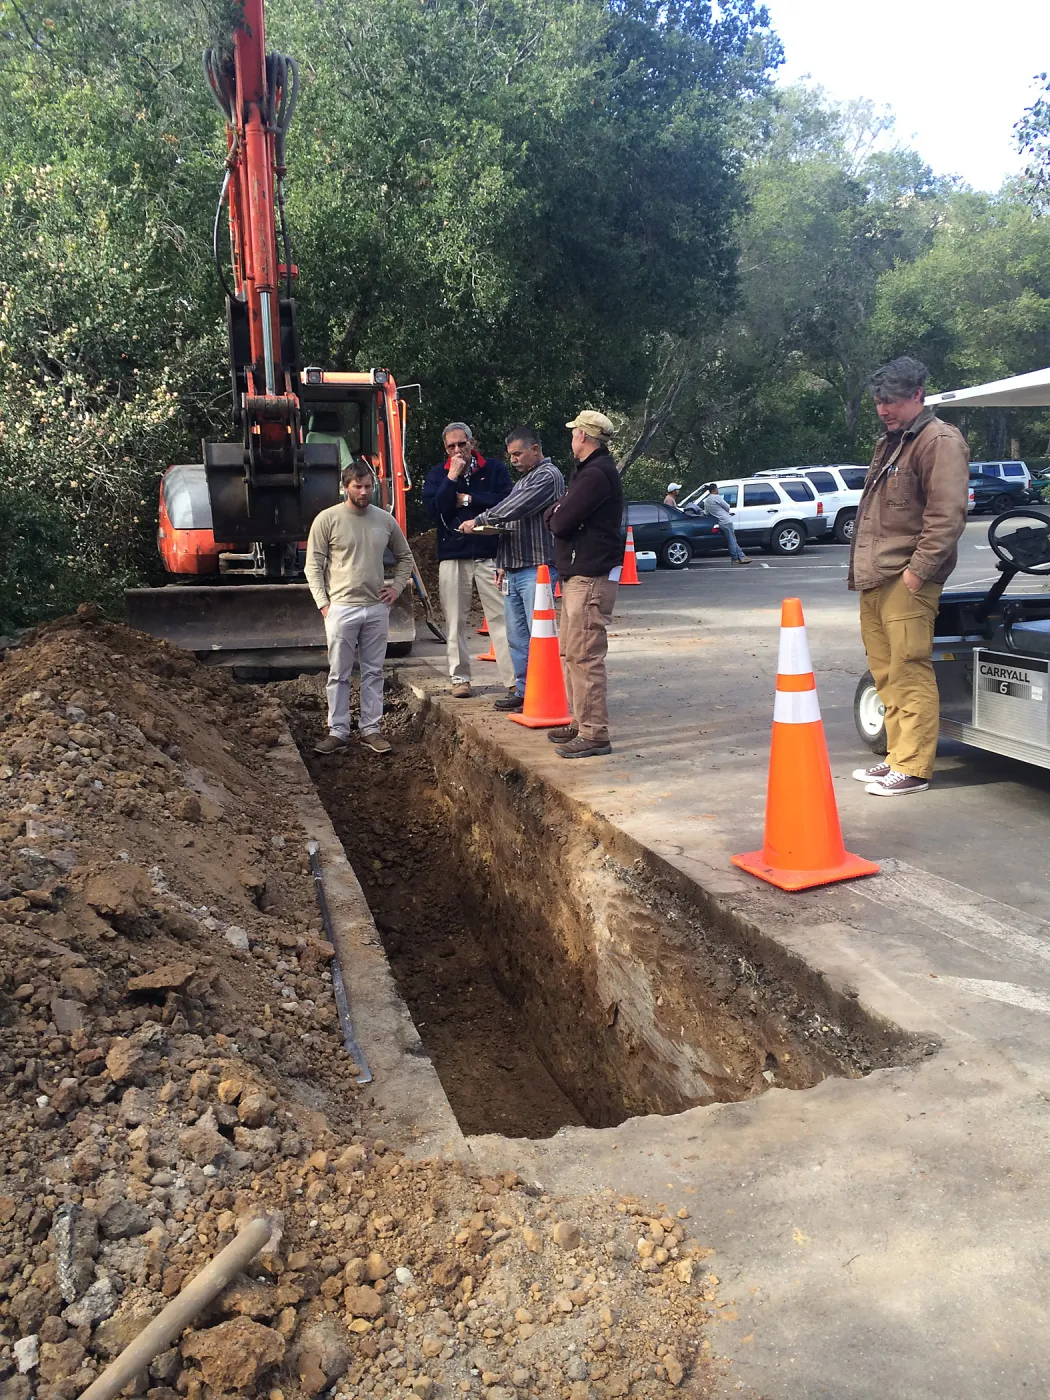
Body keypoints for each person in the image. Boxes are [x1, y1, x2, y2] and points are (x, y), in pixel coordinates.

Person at [849, 356, 969, 797]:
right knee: (885, 671)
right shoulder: (893, 440)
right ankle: (897, 755)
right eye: (880, 401)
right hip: (875, 575)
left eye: (893, 401)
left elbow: (947, 515)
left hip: (906, 576)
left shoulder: (939, 441)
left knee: (909, 668)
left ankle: (914, 766)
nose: (884, 409)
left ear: (918, 395)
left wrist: (918, 574)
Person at [305, 460, 415, 756]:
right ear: (346, 487)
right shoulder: (327, 520)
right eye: (358, 486)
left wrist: (397, 587)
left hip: (376, 608)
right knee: (339, 673)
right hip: (341, 608)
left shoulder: (384, 520)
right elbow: (313, 565)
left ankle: (371, 729)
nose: (364, 492)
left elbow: (405, 557)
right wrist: (323, 604)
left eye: (368, 486)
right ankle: (338, 731)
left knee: (373, 671)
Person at [460, 427, 566, 712]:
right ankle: (524, 690)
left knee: (538, 635)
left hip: (537, 568)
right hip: (516, 568)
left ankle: (543, 692)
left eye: (518, 453)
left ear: (535, 449)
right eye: (511, 455)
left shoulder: (547, 475)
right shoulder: (524, 479)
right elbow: (510, 524)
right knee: (517, 637)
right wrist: (502, 564)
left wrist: (480, 518)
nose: (514, 460)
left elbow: (515, 509)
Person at [544, 410, 625, 759]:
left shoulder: (595, 476)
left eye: (574, 432)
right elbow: (562, 515)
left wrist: (556, 512)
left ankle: (594, 733)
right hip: (581, 574)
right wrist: (558, 511)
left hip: (589, 577)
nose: (571, 438)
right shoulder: (591, 474)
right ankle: (581, 722)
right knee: (572, 652)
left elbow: (560, 521)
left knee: (585, 655)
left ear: (584, 436)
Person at [422, 421, 516, 699]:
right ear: (445, 449)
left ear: (472, 443)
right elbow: (435, 509)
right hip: (453, 555)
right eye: (451, 446)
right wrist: (451, 478)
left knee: (501, 618)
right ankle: (459, 678)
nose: (457, 450)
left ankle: (514, 680)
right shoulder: (439, 474)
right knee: (455, 621)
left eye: (462, 444)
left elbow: (504, 501)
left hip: (490, 554)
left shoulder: (494, 469)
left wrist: (466, 500)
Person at [700, 483, 751, 564]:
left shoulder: (707, 501)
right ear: (715, 489)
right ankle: (735, 558)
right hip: (726, 520)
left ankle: (742, 556)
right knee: (732, 540)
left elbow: (706, 513)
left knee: (732, 540)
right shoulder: (717, 497)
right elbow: (727, 507)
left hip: (719, 522)